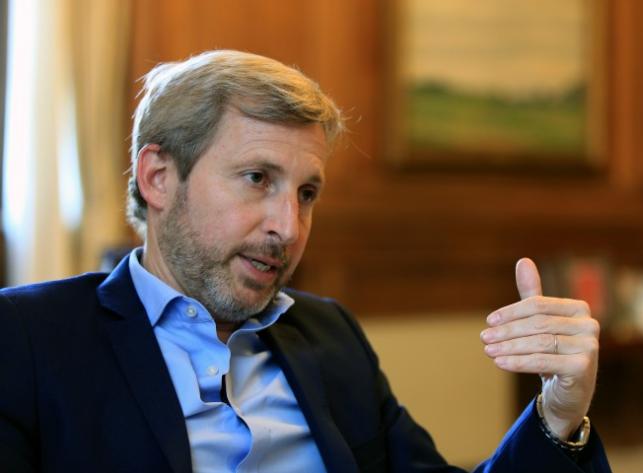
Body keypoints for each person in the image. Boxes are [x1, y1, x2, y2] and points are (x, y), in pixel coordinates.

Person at [0, 50, 612, 472]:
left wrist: (557, 418)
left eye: (307, 193)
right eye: (257, 178)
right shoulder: (28, 339)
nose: (288, 228)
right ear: (158, 177)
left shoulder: (328, 336)